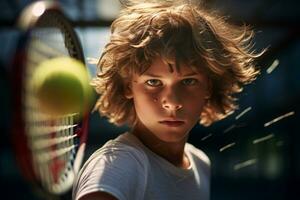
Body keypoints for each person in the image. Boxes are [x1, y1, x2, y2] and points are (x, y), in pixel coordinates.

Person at [72, 0, 263, 199]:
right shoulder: (119, 166)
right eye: (154, 82)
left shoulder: (200, 163)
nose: (172, 101)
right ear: (129, 86)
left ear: (209, 86)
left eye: (189, 81)